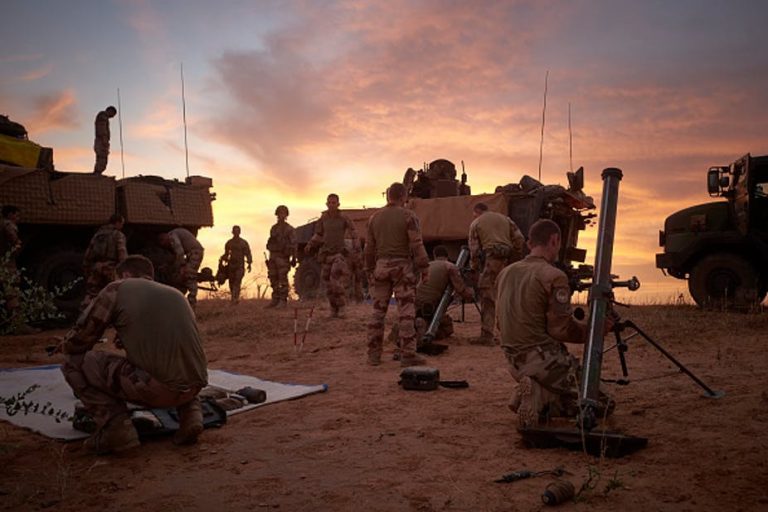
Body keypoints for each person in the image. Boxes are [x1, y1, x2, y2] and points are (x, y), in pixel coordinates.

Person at [56, 255, 208, 454]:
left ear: (125, 275)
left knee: (73, 362)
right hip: (195, 387)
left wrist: (64, 345)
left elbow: (83, 337)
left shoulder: (117, 288)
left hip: (158, 389)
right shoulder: (176, 294)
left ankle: (116, 428)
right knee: (178, 365)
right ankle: (191, 415)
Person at [496, 219, 613, 429]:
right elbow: (561, 330)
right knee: (602, 403)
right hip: (543, 361)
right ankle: (539, 396)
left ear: (529, 243)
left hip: (513, 360)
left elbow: (499, 323)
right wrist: (595, 330)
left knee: (569, 386)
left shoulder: (506, 273)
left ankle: (531, 389)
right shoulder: (553, 276)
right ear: (554, 240)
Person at [365, 182, 430, 367]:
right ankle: (408, 354)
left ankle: (373, 355)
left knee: (378, 312)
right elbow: (417, 244)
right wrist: (424, 268)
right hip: (402, 268)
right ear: (404, 196)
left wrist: (369, 270)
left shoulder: (374, 218)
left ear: (388, 196)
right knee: (406, 312)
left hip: (381, 267)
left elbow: (369, 248)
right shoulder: (408, 216)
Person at [468, 202, 525, 345]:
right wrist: (514, 259)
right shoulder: (506, 219)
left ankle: (487, 335)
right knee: (506, 295)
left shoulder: (476, 223)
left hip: (491, 260)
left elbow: (474, 249)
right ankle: (510, 333)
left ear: (477, 212)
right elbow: (519, 239)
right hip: (507, 261)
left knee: (487, 295)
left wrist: (474, 267)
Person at [304, 194, 358, 318]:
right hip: (326, 254)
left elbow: (353, 231)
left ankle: (342, 307)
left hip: (339, 254)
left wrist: (356, 246)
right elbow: (318, 234)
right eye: (329, 202)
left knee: (336, 281)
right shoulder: (323, 219)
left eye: (334, 202)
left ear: (338, 204)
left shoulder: (343, 218)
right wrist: (310, 244)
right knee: (327, 284)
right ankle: (333, 309)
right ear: (326, 204)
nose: (332, 205)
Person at [81, 214, 128, 311]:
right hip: (111, 269)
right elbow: (122, 253)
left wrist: (87, 268)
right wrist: (125, 269)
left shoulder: (98, 234)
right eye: (122, 224)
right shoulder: (118, 235)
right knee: (113, 295)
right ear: (117, 222)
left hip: (96, 267)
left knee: (92, 294)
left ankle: (85, 314)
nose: (122, 226)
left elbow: (89, 253)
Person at [158, 227, 204, 307]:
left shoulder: (172, 236)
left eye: (165, 244)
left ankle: (192, 302)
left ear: (165, 239)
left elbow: (180, 253)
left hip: (195, 253)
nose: (168, 246)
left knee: (189, 275)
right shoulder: (174, 233)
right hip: (192, 253)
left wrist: (178, 266)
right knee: (185, 273)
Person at [265, 206, 296, 308]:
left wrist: (293, 258)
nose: (281, 215)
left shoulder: (289, 229)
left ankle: (283, 300)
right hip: (273, 256)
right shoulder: (274, 228)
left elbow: (294, 244)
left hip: (283, 257)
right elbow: (270, 243)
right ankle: (275, 299)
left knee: (282, 279)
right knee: (273, 278)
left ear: (286, 215)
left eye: (283, 213)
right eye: (279, 213)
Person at [222, 225, 253, 304]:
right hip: (231, 266)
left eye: (237, 231)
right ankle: (233, 298)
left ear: (239, 232)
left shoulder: (243, 243)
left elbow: (248, 253)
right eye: (235, 231)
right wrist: (223, 260)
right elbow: (226, 254)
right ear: (232, 232)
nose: (236, 233)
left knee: (237, 281)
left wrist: (249, 263)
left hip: (240, 266)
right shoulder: (229, 243)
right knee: (231, 282)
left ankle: (235, 298)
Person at [93, 106, 117, 175]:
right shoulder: (103, 115)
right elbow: (102, 128)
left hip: (102, 140)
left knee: (101, 157)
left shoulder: (103, 116)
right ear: (110, 111)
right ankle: (97, 173)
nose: (112, 116)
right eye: (113, 114)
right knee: (102, 156)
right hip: (102, 140)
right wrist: (104, 139)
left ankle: (98, 172)